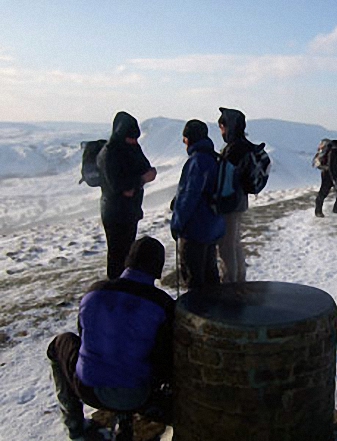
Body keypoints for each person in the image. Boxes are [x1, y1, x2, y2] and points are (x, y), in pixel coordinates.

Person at [46, 236, 175, 440]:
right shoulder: (162, 305)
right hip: (138, 395)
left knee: (60, 344)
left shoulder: (93, 293)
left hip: (88, 388)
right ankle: (125, 416)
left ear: (128, 261)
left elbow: (86, 337)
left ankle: (75, 426)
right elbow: (164, 358)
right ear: (157, 269)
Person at [97, 111, 157, 279]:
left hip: (130, 211)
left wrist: (138, 181)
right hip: (114, 213)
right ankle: (115, 287)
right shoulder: (109, 153)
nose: (134, 141)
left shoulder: (132, 149)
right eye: (131, 138)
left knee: (128, 253)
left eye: (135, 138)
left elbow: (146, 169)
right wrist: (140, 180)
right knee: (117, 254)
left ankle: (124, 286)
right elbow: (119, 186)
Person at [171, 120, 226, 291]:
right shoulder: (214, 158)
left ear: (189, 139)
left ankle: (197, 315)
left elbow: (189, 196)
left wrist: (176, 224)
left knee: (194, 280)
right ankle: (216, 313)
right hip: (212, 227)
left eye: (184, 139)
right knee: (211, 276)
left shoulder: (197, 161)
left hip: (195, 230)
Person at [216, 107, 252, 283]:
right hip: (240, 202)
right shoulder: (244, 145)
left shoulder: (234, 148)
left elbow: (225, 178)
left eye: (222, 127)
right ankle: (239, 279)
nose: (221, 132)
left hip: (230, 203)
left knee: (226, 247)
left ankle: (231, 283)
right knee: (235, 244)